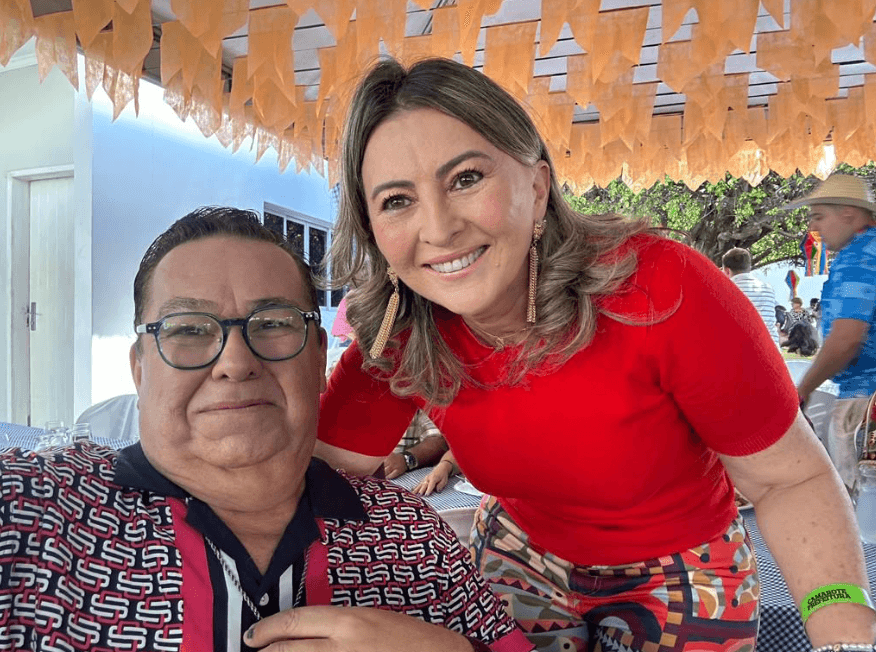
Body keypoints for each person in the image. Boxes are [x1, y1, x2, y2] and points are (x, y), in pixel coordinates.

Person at [314, 57, 876, 652]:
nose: (438, 228)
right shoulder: (398, 334)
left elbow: (790, 481)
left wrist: (844, 633)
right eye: (396, 200)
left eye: (465, 179)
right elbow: (308, 480)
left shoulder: (661, 289)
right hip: (518, 551)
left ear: (537, 187)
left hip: (684, 562)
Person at [0, 207, 533, 652]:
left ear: (319, 359)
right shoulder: (28, 514)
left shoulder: (410, 534)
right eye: (189, 330)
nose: (235, 362)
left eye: (274, 324)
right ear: (140, 368)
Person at [791, 174, 876, 490]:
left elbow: (846, 340)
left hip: (864, 400)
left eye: (819, 216)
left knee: (858, 505)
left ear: (849, 215)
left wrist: (802, 390)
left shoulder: (859, 257)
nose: (814, 227)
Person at [721, 247, 782, 346]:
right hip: (771, 348)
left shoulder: (724, 290)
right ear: (749, 267)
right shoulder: (767, 288)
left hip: (741, 349)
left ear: (727, 271)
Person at [383, 409, 450, 479]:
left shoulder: (422, 405)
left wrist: (405, 460)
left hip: (411, 474)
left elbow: (439, 440)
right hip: (380, 475)